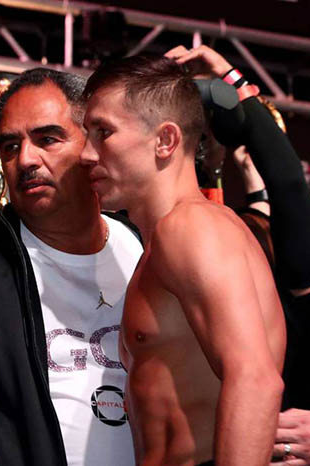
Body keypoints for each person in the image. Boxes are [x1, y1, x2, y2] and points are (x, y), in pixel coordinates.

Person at [80, 54, 286, 465]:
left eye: (104, 132)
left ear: (165, 141)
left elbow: (256, 379)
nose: (86, 154)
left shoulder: (189, 227)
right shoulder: (164, 242)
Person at [0, 68, 144, 466]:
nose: (26, 159)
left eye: (47, 139)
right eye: (10, 146)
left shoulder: (148, 248)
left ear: (92, 143)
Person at [167, 44, 310, 465]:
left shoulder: (284, 265)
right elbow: (286, 186)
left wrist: (230, 79)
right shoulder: (154, 239)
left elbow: (288, 186)